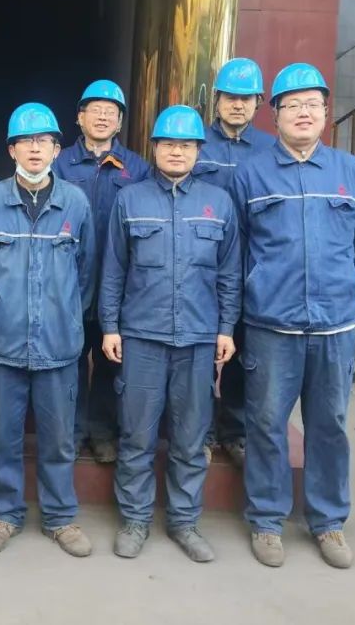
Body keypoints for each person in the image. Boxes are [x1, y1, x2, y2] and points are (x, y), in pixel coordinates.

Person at [234, 63, 355, 570]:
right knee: (266, 423)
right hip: (272, 325)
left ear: (325, 112)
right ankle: (267, 520)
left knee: (329, 424)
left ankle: (328, 521)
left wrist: (339, 283)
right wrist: (261, 286)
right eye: (292, 105)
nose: (303, 113)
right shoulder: (251, 174)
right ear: (274, 115)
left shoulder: (350, 173)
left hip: (335, 327)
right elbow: (239, 248)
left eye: (312, 104)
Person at [99, 105, 240, 563]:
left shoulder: (218, 203)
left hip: (198, 339)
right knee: (137, 436)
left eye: (186, 145)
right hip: (141, 336)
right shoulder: (130, 199)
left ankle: (184, 522)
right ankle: (135, 519)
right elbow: (113, 270)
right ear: (154, 148)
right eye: (168, 144)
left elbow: (229, 274)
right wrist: (110, 326)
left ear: (198, 151)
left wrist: (226, 329)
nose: (177, 152)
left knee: (190, 438)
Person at [0, 103, 97, 557]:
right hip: (1, 345)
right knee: (3, 438)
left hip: (58, 346)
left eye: (44, 141)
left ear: (58, 149)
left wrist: (64, 316)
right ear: (11, 150)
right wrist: (3, 311)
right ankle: (6, 514)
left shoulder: (75, 204)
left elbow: (86, 275)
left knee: (58, 439)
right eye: (26, 141)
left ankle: (60, 517)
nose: (35, 148)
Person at [52, 80, 149, 462]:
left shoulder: (137, 168)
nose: (103, 116)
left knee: (111, 361)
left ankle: (103, 431)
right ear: (80, 117)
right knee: (71, 361)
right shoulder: (60, 164)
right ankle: (73, 431)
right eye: (95, 109)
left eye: (111, 111)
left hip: (118, 283)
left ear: (120, 121)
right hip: (69, 281)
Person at [194, 58, 274, 468]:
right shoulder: (196, 143)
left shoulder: (270, 150)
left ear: (258, 102)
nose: (237, 105)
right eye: (230, 97)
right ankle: (202, 431)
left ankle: (235, 431)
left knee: (244, 354)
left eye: (246, 98)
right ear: (217, 100)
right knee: (201, 355)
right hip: (202, 269)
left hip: (254, 269)